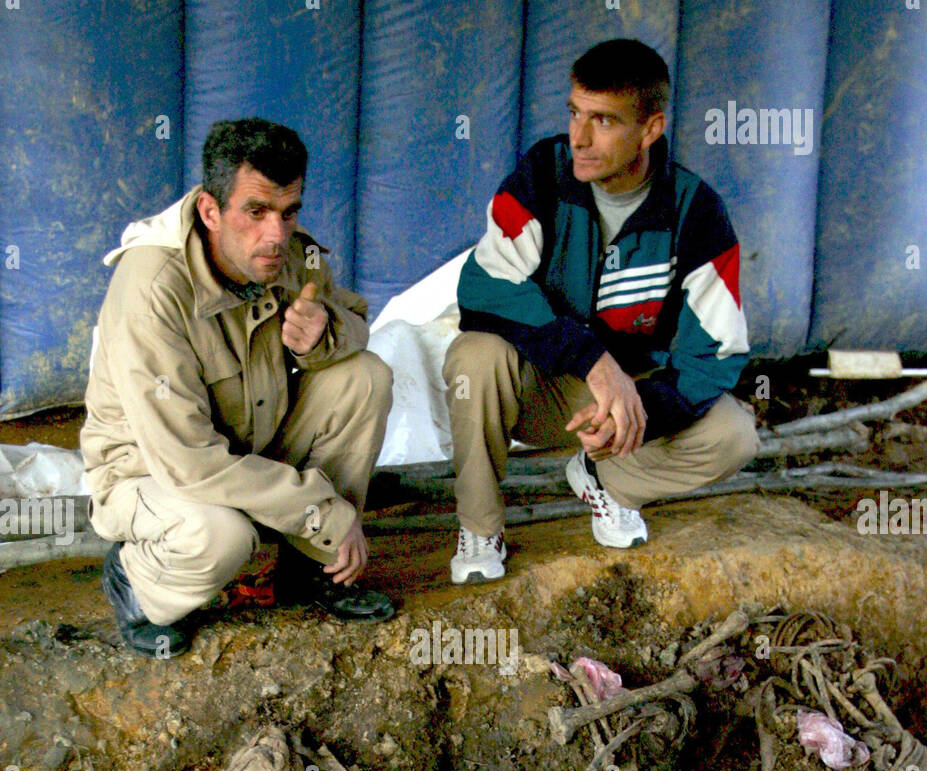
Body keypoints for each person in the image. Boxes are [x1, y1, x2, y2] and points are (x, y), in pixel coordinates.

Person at [443, 38, 760, 584]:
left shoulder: (696, 209)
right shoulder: (544, 173)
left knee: (735, 435)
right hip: (539, 388)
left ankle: (604, 477)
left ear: (650, 129)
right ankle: (481, 527)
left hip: (625, 403)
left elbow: (716, 352)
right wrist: (592, 359)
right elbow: (484, 286)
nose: (579, 138)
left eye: (605, 121)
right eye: (574, 114)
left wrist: (641, 412)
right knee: (473, 356)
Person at [81, 117, 395, 657]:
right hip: (153, 470)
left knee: (364, 376)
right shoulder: (152, 288)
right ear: (210, 211)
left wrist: (324, 334)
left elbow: (359, 320)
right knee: (222, 537)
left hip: (248, 447)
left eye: (288, 212)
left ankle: (315, 566)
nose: (276, 234)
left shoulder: (289, 255)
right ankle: (137, 580)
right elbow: (188, 461)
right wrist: (327, 512)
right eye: (255, 212)